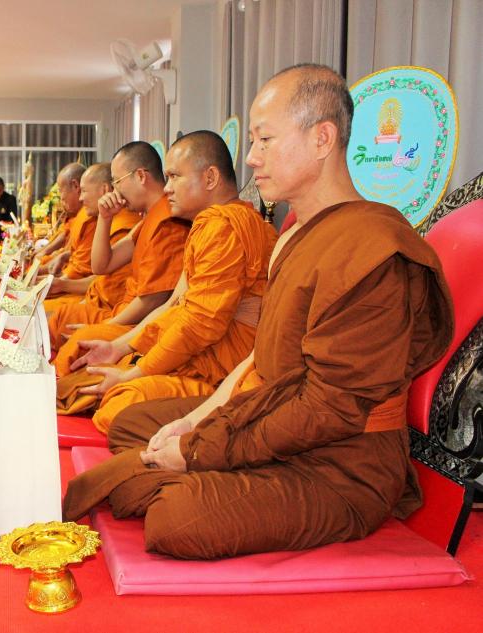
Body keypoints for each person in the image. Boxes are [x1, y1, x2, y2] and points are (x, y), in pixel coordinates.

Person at [63, 64, 454, 561]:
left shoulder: (374, 252)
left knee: (175, 522)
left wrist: (205, 450)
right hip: (271, 411)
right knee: (131, 427)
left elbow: (327, 410)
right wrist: (199, 421)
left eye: (265, 140)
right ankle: (202, 475)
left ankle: (200, 481)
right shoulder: (291, 234)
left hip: (341, 463)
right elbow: (257, 360)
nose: (250, 158)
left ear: (322, 138)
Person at [56, 131, 278, 430]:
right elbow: (177, 305)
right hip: (194, 354)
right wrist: (123, 347)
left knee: (118, 407)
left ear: (210, 178)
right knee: (99, 364)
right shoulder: (208, 225)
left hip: (221, 375)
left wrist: (135, 371)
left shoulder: (223, 227)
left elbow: (200, 323)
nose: (168, 188)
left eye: (174, 177)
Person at [52, 141, 190, 377]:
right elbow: (101, 265)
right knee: (61, 321)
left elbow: (152, 300)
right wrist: (105, 218)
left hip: (136, 323)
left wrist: (107, 326)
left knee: (78, 341)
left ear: (140, 176)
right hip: (121, 315)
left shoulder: (169, 221)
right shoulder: (147, 220)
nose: (115, 191)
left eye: (117, 181)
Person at [43, 163, 140, 320]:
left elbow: (107, 284)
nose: (81, 198)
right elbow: (98, 274)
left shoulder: (123, 226)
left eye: (84, 191)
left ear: (104, 190)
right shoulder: (103, 221)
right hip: (91, 298)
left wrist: (62, 284)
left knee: (48, 318)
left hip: (108, 310)